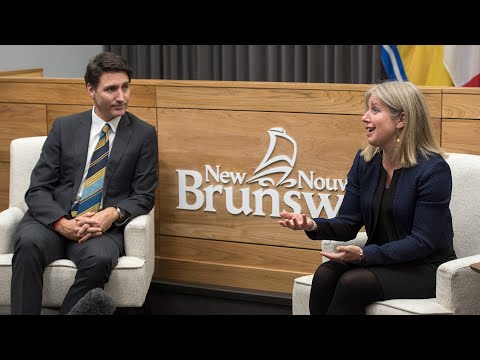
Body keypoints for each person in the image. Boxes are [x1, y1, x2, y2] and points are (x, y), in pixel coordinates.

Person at [279, 80, 456, 315]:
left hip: (423, 267)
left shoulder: (433, 169)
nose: (364, 117)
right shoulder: (365, 162)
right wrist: (311, 224)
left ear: (401, 120)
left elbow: (422, 242)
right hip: (382, 260)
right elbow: (348, 223)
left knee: (353, 283)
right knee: (324, 274)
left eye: (374, 110)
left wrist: (364, 254)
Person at [10, 52, 158, 315]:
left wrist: (111, 214)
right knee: (28, 242)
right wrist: (61, 223)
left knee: (100, 259)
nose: (121, 97)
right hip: (53, 221)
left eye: (125, 87)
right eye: (111, 89)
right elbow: (37, 189)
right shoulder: (64, 127)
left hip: (100, 227)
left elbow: (144, 195)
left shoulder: (144, 134)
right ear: (91, 90)